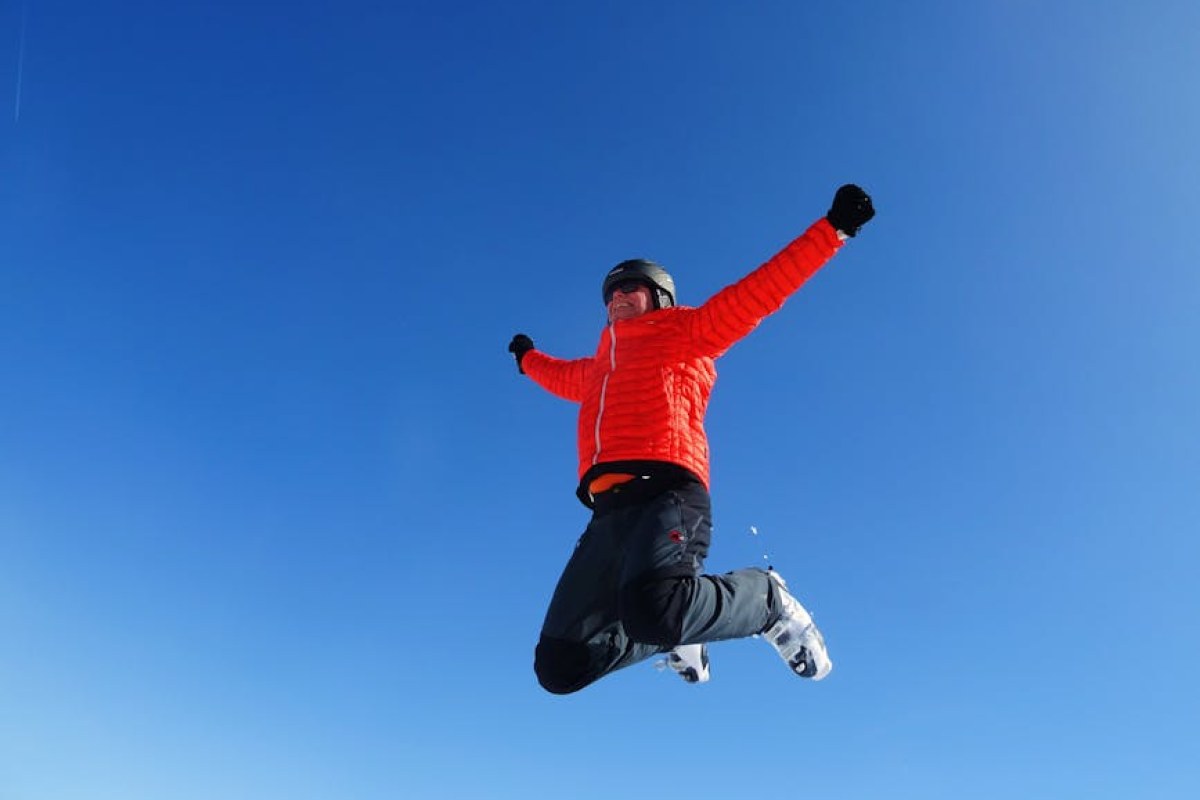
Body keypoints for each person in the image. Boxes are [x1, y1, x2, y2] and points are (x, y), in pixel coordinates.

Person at [507, 184, 875, 695]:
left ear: (658, 297)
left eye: (629, 289)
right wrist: (527, 360)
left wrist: (831, 231)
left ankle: (766, 600)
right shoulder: (597, 371)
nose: (616, 299)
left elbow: (758, 293)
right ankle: (679, 635)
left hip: (668, 490)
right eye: (610, 294)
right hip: (608, 512)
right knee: (560, 665)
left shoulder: (685, 333)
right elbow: (557, 376)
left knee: (657, 606)